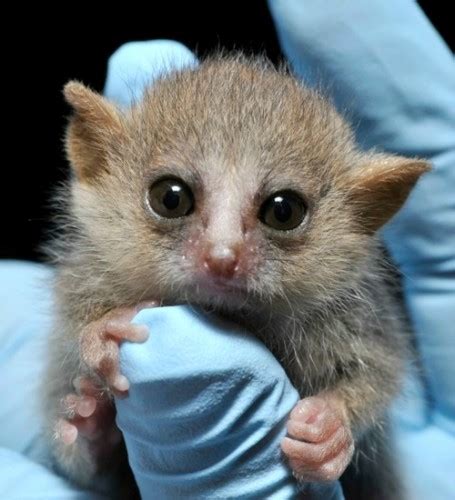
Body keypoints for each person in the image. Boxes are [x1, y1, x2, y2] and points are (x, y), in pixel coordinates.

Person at [1, 1, 454, 498]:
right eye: (172, 200)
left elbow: (369, 375)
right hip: (119, 474)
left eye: (282, 212)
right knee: (72, 408)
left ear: (366, 209)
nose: (221, 253)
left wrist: (339, 417)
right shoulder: (97, 273)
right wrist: (95, 342)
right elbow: (79, 330)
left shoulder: (341, 304)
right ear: (98, 162)